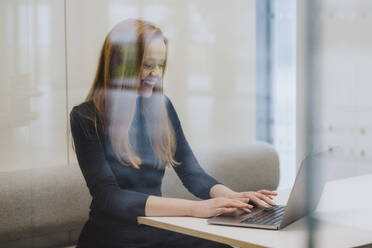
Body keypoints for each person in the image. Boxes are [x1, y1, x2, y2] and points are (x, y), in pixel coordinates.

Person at [70, 18, 277, 248]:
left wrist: (230, 196)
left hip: (157, 228)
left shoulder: (161, 106)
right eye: (148, 65)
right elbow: (109, 197)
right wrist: (195, 208)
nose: (157, 73)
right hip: (112, 237)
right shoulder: (85, 118)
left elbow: (191, 173)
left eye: (161, 64)